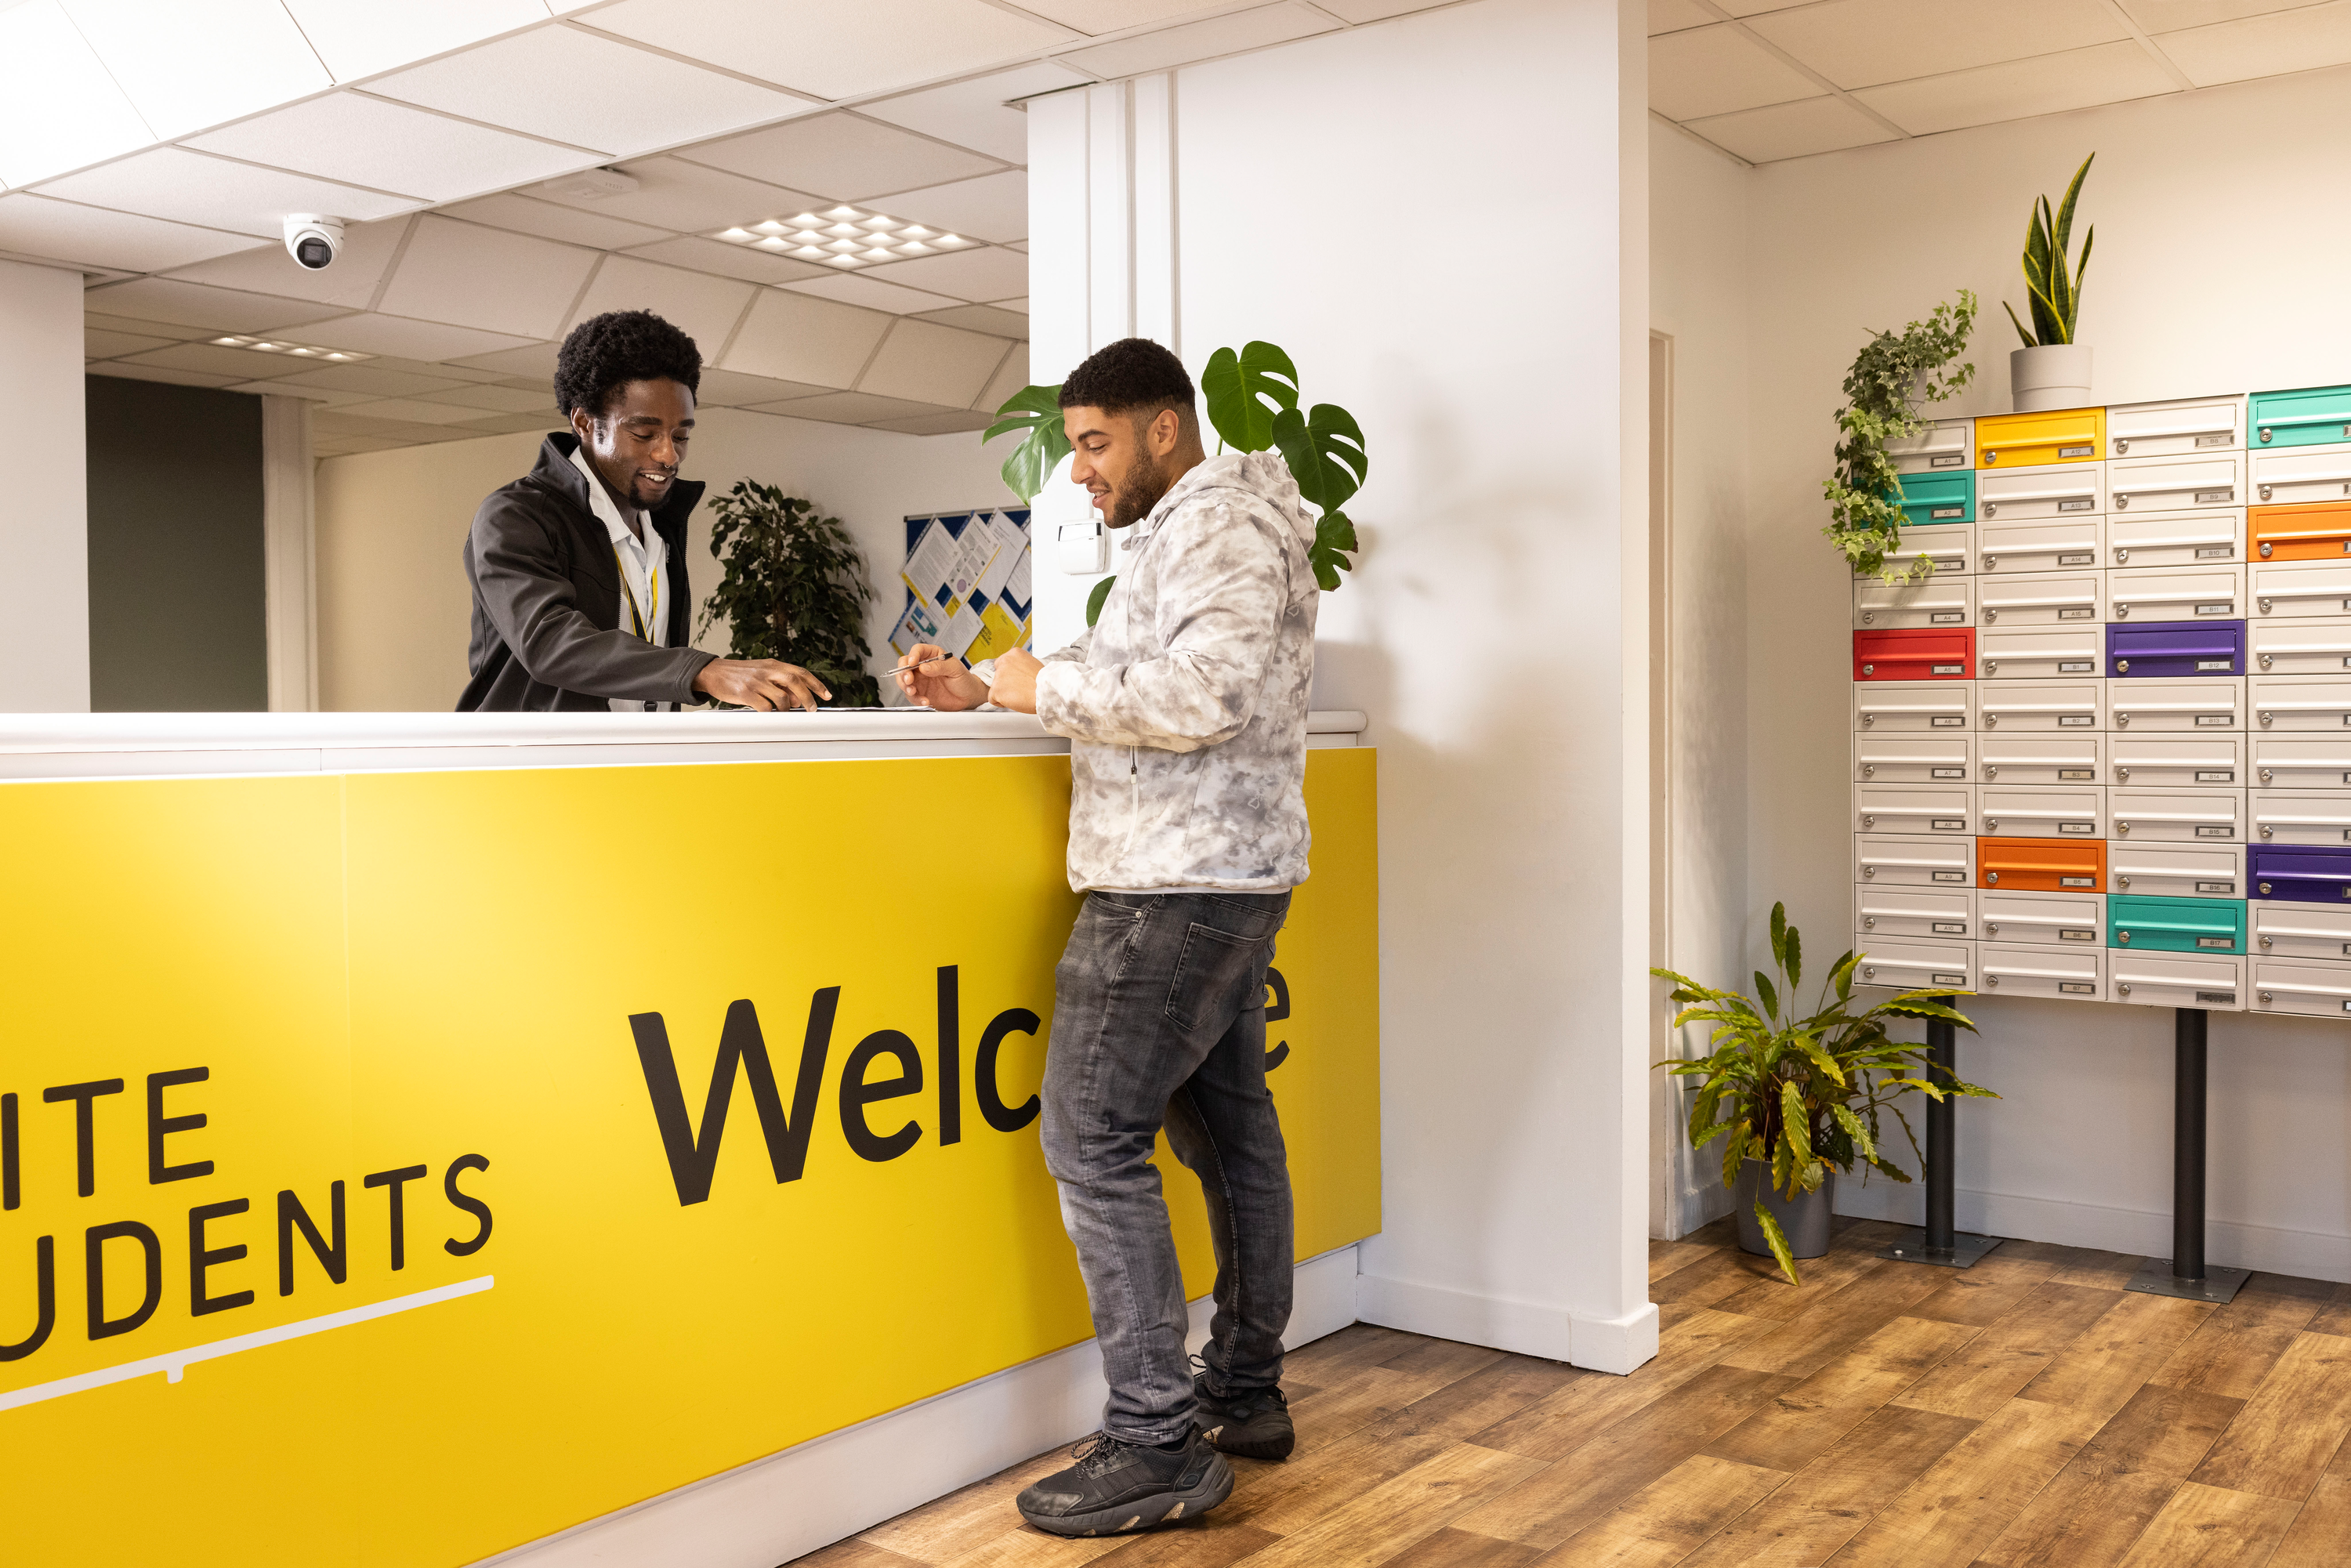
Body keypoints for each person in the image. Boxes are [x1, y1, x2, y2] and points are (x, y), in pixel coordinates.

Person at [895, 337, 1320, 1537]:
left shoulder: (1220, 524)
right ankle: (1240, 1392)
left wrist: (1042, 692)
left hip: (1173, 884)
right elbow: (1141, 661)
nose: (1080, 471)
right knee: (1232, 1134)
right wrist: (990, 685)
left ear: (1164, 430)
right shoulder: (1194, 525)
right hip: (1212, 872)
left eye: (1093, 443)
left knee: (1090, 1138)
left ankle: (1154, 1440)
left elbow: (1202, 693)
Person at [458, 310, 828, 712]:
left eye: (681, 435)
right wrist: (703, 671)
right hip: (533, 768)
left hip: (637, 765)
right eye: (644, 434)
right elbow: (549, 643)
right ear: (584, 422)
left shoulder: (660, 525)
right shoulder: (516, 516)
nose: (669, 454)